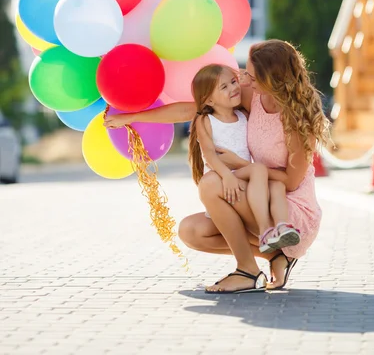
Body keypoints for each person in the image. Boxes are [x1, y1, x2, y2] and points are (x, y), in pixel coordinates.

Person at [104, 40, 329, 293]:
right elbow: (194, 110)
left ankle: (247, 271)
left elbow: (291, 182)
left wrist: (241, 165)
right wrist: (132, 117)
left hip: (289, 213)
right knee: (191, 231)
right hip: (258, 194)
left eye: (251, 76)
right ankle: (276, 257)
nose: (244, 79)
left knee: (211, 184)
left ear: (272, 79)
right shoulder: (255, 97)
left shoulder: (298, 121)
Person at [188, 64, 300, 293]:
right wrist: (227, 176)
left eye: (233, 82)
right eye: (224, 87)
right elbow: (209, 155)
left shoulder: (243, 115)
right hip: (227, 178)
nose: (233, 88)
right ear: (208, 100)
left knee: (271, 180)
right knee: (188, 229)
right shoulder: (205, 120)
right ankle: (268, 239)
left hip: (244, 180)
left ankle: (276, 228)